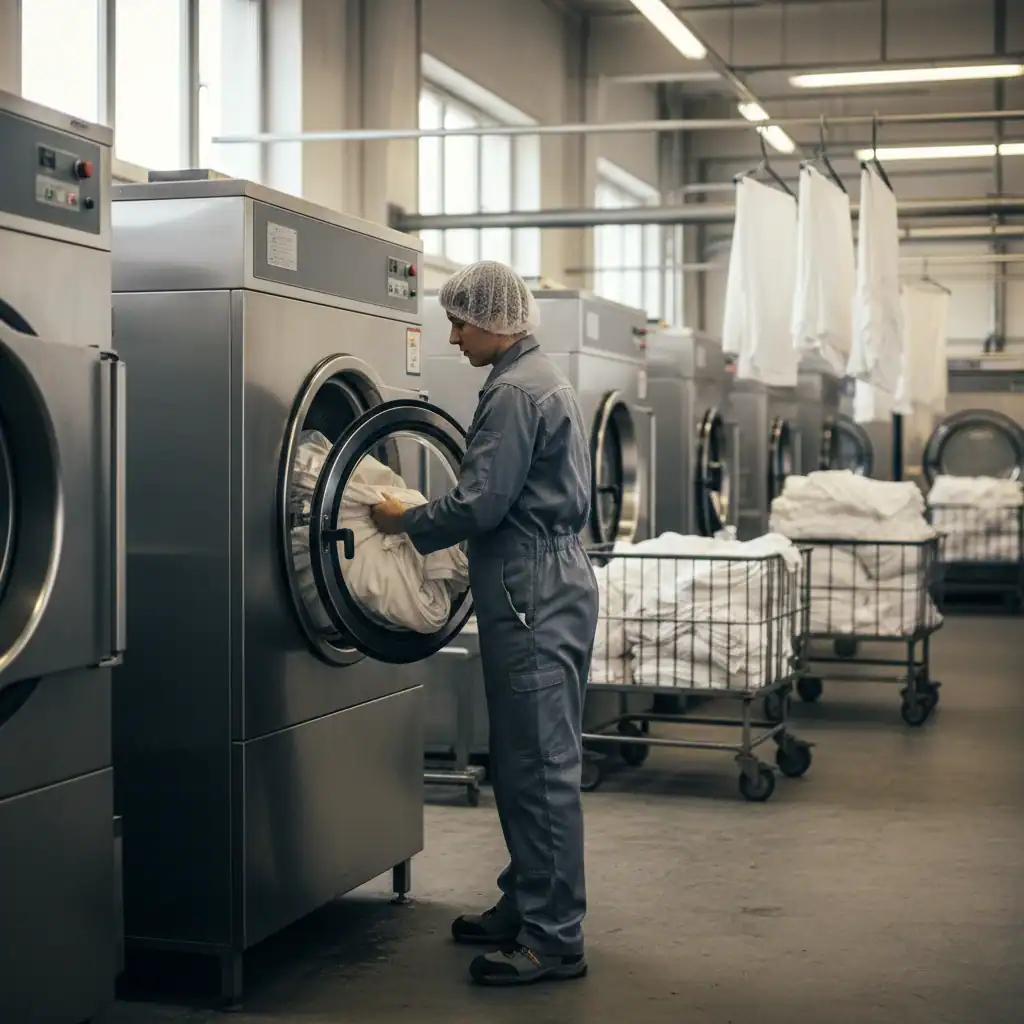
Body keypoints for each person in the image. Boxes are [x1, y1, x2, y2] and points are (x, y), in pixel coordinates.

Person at [371, 261, 599, 987]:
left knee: (538, 765)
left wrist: (405, 520)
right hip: (546, 578)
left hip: (532, 586)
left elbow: (479, 506)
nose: (452, 334)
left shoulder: (512, 394)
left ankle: (554, 937)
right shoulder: (539, 378)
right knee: (526, 758)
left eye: (458, 322)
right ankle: (526, 899)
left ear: (492, 322)